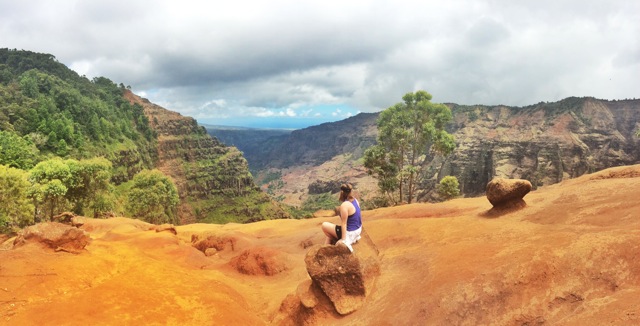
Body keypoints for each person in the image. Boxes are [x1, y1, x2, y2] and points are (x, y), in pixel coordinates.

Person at [321, 183, 362, 252]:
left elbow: (344, 223)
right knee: (329, 236)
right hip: (357, 230)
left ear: (342, 192)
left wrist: (343, 240)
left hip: (350, 233)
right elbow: (358, 217)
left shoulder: (345, 205)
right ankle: (324, 249)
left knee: (324, 225)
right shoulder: (355, 200)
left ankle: (335, 243)